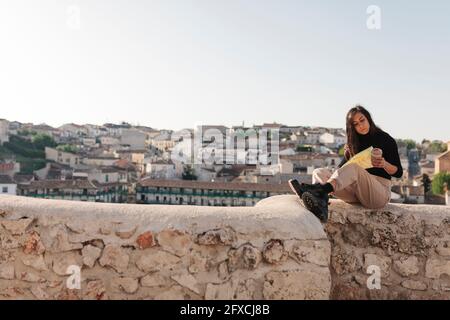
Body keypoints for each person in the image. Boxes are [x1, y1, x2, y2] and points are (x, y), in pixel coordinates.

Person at [288, 105, 403, 222]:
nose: (360, 125)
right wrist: (348, 156)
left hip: (379, 194)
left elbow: (398, 172)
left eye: (362, 120)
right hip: (357, 193)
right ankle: (319, 202)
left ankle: (320, 191)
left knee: (354, 168)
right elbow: (340, 172)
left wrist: (384, 164)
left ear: (368, 118)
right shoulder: (354, 142)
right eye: (356, 124)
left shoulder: (385, 139)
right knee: (319, 172)